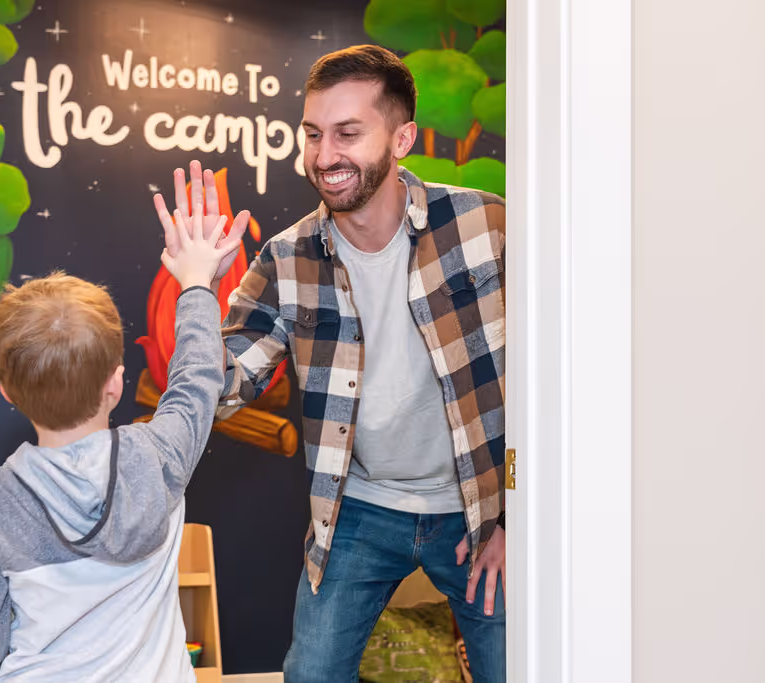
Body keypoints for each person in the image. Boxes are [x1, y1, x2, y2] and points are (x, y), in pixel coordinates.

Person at [154, 44, 506, 681]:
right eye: (313, 134)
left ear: (402, 138)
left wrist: (518, 511)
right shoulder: (288, 258)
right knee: (311, 673)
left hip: (478, 510)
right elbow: (221, 387)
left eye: (348, 133)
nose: (323, 157)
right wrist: (198, 285)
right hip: (358, 511)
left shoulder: (486, 226)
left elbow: (555, 383)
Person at [0, 206, 246, 681]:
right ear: (117, 382)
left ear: (6, 392)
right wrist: (197, 283)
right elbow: (197, 378)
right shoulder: (159, 457)